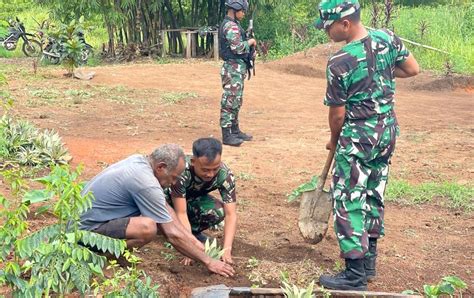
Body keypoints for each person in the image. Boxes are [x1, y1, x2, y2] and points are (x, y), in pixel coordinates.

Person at [314, 0, 420, 291]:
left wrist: (334, 142)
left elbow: (337, 115)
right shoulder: (387, 38)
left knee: (349, 198)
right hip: (387, 132)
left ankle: (354, 274)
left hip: (358, 137)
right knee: (374, 191)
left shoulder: (340, 62)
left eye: (329, 26)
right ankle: (369, 262)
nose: (326, 32)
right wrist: (381, 72)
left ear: (345, 23)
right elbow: (412, 69)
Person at [79, 144, 234, 277]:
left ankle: (115, 256)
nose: (174, 182)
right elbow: (171, 234)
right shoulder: (145, 182)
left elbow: (164, 208)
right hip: (86, 232)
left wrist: (192, 240)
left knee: (155, 219)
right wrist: (209, 261)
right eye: (174, 177)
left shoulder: (140, 162)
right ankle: (103, 260)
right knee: (147, 227)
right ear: (161, 167)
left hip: (92, 222)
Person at [166, 138, 237, 265]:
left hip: (191, 200)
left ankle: (190, 233)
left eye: (215, 169)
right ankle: (172, 231)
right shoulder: (181, 171)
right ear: (193, 162)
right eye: (205, 170)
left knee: (218, 211)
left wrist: (227, 249)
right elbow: (180, 212)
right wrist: (189, 249)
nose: (210, 174)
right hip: (168, 202)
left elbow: (231, 214)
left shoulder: (225, 175)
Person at [219, 0, 257, 146]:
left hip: (236, 68)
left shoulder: (235, 25)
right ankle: (227, 134)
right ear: (235, 9)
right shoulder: (230, 26)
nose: (244, 13)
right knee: (230, 100)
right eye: (242, 10)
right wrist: (251, 42)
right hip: (232, 68)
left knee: (236, 99)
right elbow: (238, 48)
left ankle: (234, 130)